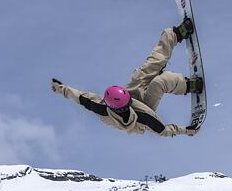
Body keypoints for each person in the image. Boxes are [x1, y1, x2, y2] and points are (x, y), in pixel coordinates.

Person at [51, 18, 203, 137]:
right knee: (159, 82)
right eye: (128, 103)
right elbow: (163, 131)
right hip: (143, 106)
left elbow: (79, 97)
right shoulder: (143, 117)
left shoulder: (103, 103)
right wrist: (186, 130)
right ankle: (190, 85)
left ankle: (176, 33)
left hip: (133, 91)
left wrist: (60, 89)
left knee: (152, 63)